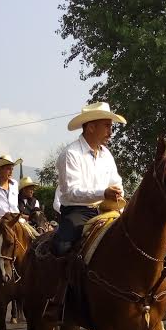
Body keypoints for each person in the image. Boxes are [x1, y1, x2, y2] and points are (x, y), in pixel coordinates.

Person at [52, 103, 126, 256]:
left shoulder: (106, 154)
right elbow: (72, 192)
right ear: (91, 127)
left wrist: (118, 194)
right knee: (62, 247)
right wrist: (103, 193)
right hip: (78, 212)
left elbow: (116, 182)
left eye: (111, 127)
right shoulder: (70, 154)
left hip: (108, 209)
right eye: (107, 126)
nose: (110, 132)